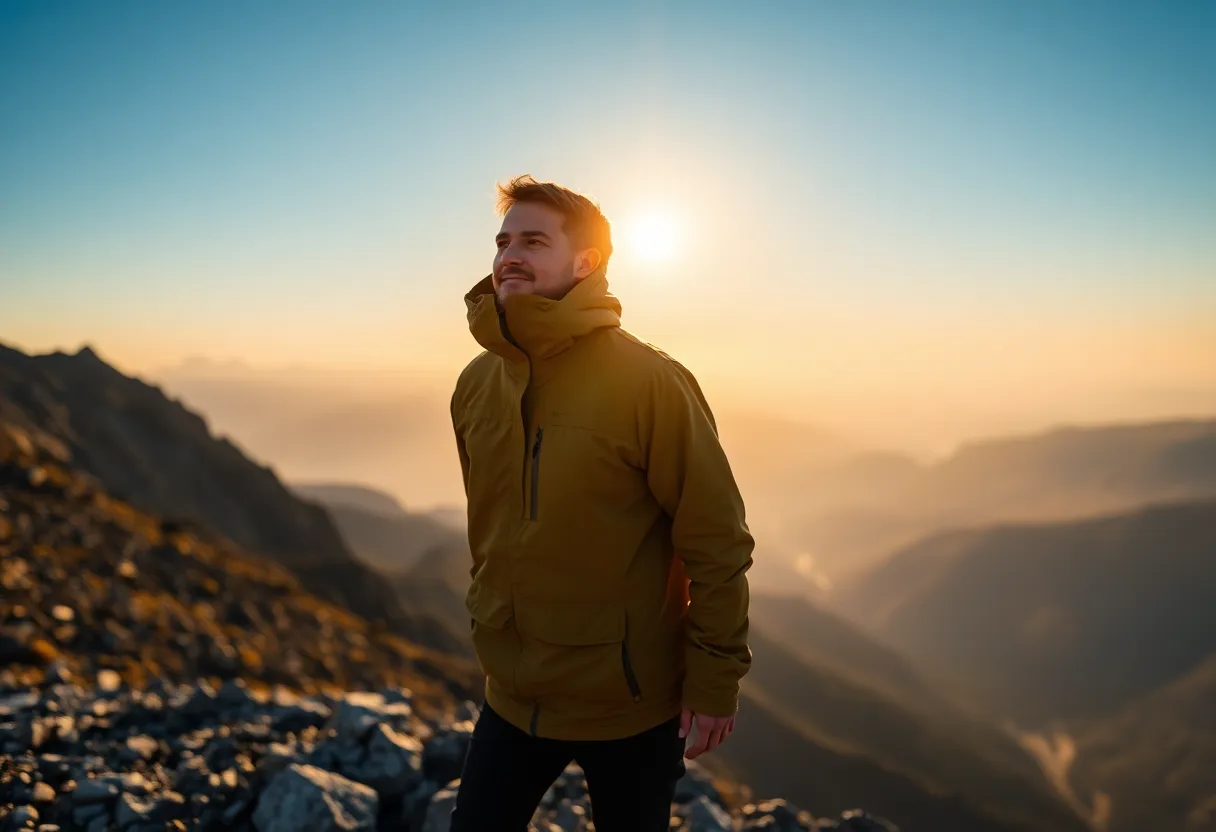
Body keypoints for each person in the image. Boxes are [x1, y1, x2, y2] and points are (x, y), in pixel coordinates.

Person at [448, 175, 753, 831]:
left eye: (534, 240)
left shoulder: (651, 384)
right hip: (512, 696)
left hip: (631, 710)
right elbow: (490, 529)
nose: (509, 255)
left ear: (585, 262)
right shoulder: (476, 385)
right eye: (503, 241)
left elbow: (717, 543)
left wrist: (714, 683)